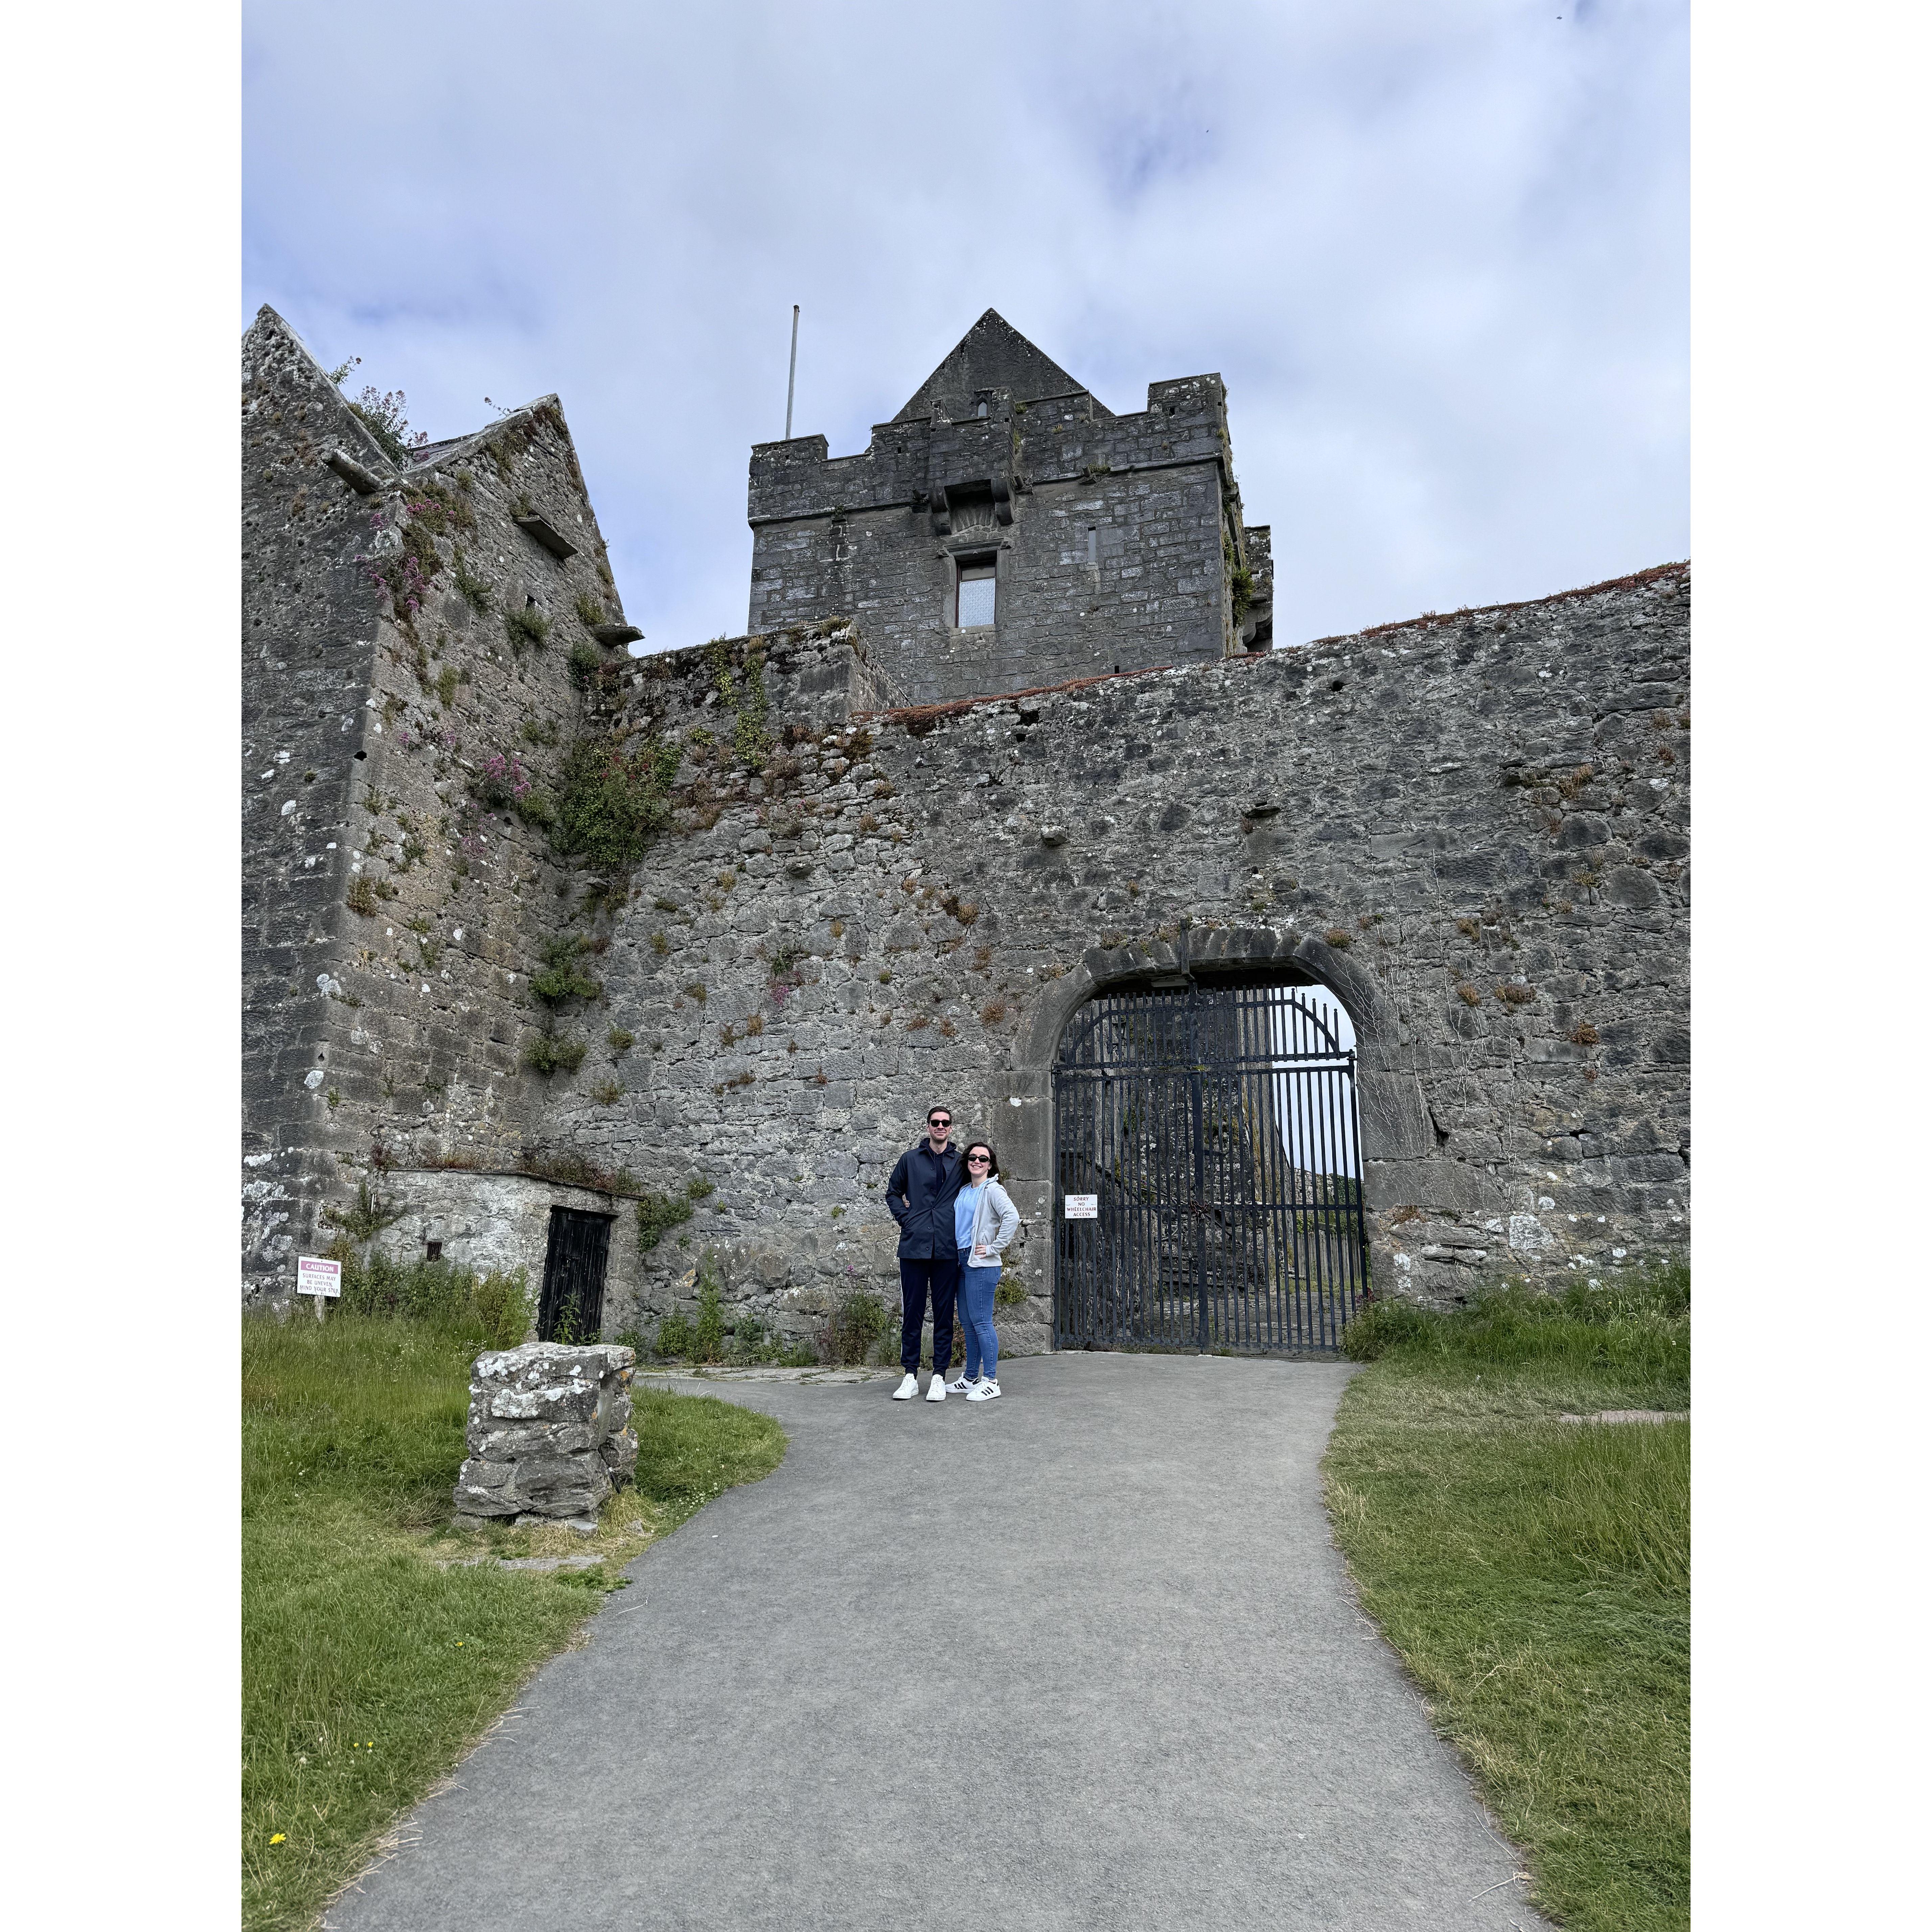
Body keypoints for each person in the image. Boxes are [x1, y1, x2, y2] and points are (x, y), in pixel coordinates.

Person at [885, 1105, 965, 1401]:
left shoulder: (961, 1163)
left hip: (947, 1247)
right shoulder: (910, 1160)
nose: (940, 1127)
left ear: (951, 1128)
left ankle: (940, 1376)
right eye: (935, 1123)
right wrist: (906, 1219)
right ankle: (910, 1375)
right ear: (928, 1127)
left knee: (945, 1314)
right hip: (914, 1247)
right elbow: (893, 1193)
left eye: (945, 1123)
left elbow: (977, 1190)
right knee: (913, 1313)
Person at [948, 1140, 1021, 1402]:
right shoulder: (965, 1190)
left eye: (983, 1159)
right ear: (967, 1162)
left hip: (982, 1263)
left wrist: (993, 1248)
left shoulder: (993, 1190)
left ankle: (991, 1380)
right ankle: (970, 1378)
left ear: (991, 1165)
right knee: (968, 1324)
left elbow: (1012, 1217)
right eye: (973, 1158)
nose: (977, 1162)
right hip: (961, 1260)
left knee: (982, 1323)